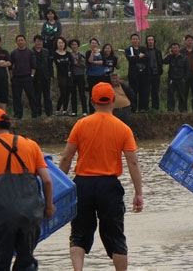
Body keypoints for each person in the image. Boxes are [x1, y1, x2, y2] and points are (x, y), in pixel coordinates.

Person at [59, 82, 143, 271]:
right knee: (115, 235)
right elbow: (133, 163)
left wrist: (58, 187)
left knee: (79, 234)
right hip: (109, 186)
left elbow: (66, 157)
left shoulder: (81, 125)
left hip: (82, 185)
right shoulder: (123, 128)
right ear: (113, 101)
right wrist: (138, 193)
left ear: (92, 101)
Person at [0, 107, 55, 270]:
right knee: (26, 262)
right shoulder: (31, 145)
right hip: (30, 215)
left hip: (0, 216)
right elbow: (47, 180)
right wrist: (49, 207)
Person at [10, 35, 38, 119]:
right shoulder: (14, 53)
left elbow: (34, 66)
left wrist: (32, 76)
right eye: (18, 40)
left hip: (27, 77)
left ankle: (34, 113)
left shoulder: (30, 52)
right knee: (16, 97)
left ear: (25, 41)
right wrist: (11, 76)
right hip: (16, 78)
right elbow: (10, 66)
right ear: (16, 42)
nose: (20, 42)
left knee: (31, 96)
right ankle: (18, 114)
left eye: (22, 40)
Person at [125, 33, 148, 112]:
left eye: (136, 39)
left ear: (139, 40)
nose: (135, 40)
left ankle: (142, 108)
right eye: (133, 39)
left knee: (143, 91)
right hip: (133, 74)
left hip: (143, 73)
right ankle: (133, 108)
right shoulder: (128, 49)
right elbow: (130, 60)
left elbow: (146, 58)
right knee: (133, 91)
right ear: (131, 40)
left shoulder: (143, 48)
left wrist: (135, 57)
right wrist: (139, 56)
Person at [163, 43, 189, 113]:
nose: (175, 49)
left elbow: (187, 70)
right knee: (170, 95)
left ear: (179, 48)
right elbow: (164, 62)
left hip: (181, 79)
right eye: (173, 48)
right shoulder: (170, 57)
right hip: (172, 79)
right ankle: (170, 109)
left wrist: (184, 79)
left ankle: (182, 109)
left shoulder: (185, 58)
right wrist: (169, 54)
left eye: (176, 48)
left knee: (182, 95)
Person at [32, 34, 53, 117]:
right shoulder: (31, 52)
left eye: (40, 41)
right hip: (36, 77)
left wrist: (51, 75)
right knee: (37, 96)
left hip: (46, 76)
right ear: (34, 42)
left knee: (47, 96)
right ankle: (38, 112)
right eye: (37, 41)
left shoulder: (46, 51)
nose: (39, 43)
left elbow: (50, 64)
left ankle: (49, 112)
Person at [53, 36, 73, 115]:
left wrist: (62, 62)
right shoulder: (55, 54)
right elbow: (57, 63)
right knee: (63, 92)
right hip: (61, 76)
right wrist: (64, 62)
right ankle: (58, 109)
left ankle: (65, 110)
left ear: (65, 44)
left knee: (68, 93)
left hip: (69, 75)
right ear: (57, 44)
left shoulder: (68, 53)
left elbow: (71, 63)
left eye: (62, 43)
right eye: (59, 43)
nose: (61, 44)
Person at [85, 38, 106, 113]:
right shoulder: (88, 52)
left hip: (101, 75)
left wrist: (94, 62)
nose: (94, 44)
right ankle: (92, 111)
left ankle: (102, 109)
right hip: (91, 76)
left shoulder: (102, 52)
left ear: (98, 44)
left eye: (95, 43)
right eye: (92, 43)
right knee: (92, 93)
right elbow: (89, 61)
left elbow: (104, 62)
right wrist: (92, 54)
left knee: (101, 92)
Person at [69, 39, 88, 117]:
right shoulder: (68, 54)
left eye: (75, 44)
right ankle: (74, 111)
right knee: (73, 94)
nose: (74, 46)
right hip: (71, 76)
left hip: (80, 75)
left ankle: (85, 111)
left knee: (82, 93)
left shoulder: (82, 54)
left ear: (78, 45)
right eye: (72, 44)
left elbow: (85, 64)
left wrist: (78, 63)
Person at [145, 35, 163, 111]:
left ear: (154, 41)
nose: (150, 41)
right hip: (147, 74)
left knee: (155, 91)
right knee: (146, 91)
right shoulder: (144, 51)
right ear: (147, 41)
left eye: (152, 40)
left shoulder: (158, 51)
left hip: (156, 74)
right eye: (149, 40)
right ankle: (145, 107)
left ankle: (155, 107)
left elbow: (160, 62)